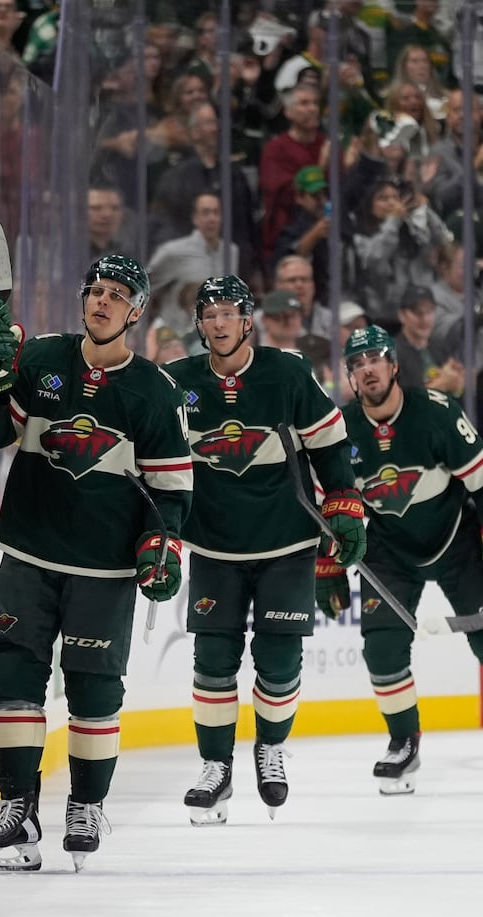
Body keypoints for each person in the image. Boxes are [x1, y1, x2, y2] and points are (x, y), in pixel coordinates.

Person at [0, 254, 192, 871]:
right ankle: (17, 806)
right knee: (12, 681)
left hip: (104, 568)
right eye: (95, 291)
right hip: (30, 552)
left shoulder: (155, 394)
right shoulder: (42, 361)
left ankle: (85, 804)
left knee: (92, 690)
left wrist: (160, 545)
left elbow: (173, 492)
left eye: (117, 295)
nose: (103, 302)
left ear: (136, 311)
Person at [320, 325, 483, 793]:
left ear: (394, 366)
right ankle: (403, 742)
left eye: (375, 360)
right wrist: (327, 564)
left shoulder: (436, 413)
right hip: (387, 547)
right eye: (357, 364)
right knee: (382, 649)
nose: (367, 370)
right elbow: (329, 505)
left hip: (456, 538)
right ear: (350, 376)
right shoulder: (339, 430)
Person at [163, 276, 364, 825]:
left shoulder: (288, 372)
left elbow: (329, 445)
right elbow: (152, 456)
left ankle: (270, 749)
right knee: (212, 662)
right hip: (214, 544)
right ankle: (215, 767)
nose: (220, 323)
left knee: (278, 660)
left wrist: (344, 504)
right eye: (210, 314)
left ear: (248, 320)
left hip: (288, 541)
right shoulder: (176, 381)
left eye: (230, 312)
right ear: (200, 324)